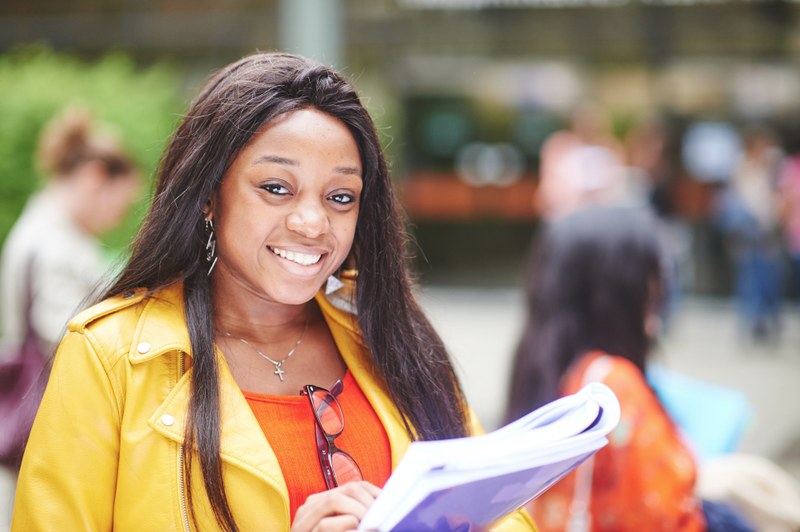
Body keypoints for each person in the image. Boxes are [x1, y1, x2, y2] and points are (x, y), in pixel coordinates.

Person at [12, 53, 535, 531]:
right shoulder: (112, 357)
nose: (312, 223)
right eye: (276, 188)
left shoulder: (391, 335)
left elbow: (504, 514)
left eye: (340, 196)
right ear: (208, 196)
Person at [504, 206, 753, 532]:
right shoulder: (614, 386)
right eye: (650, 274)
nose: (659, 289)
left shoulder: (544, 373)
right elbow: (663, 514)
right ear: (620, 288)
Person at [0, 106, 139, 529]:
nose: (118, 216)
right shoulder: (53, 245)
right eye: (121, 201)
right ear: (95, 177)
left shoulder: (48, 230)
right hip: (39, 420)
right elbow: (70, 341)